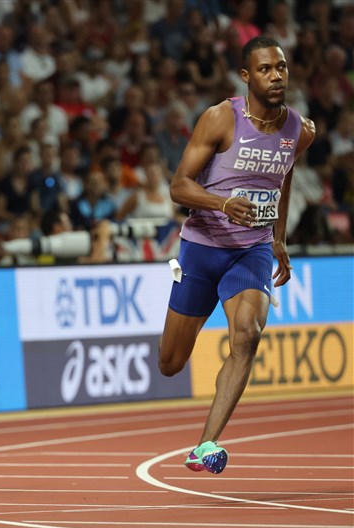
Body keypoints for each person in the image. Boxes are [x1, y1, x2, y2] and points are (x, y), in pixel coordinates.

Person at [159, 36, 315, 474]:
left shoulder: (300, 130)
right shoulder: (219, 119)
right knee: (171, 364)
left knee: (246, 336)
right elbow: (179, 186)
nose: (276, 75)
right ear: (246, 76)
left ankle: (204, 445)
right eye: (265, 69)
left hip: (251, 251)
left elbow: (284, 176)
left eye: (281, 67)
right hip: (202, 249)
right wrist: (223, 203)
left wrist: (278, 237)